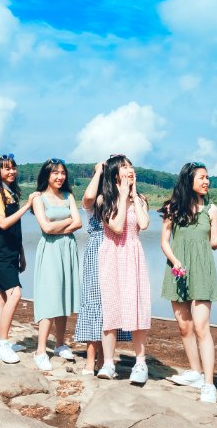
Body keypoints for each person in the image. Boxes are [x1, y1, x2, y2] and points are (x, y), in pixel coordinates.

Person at [159, 161, 217, 403]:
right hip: (178, 270)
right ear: (188, 180)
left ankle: (209, 384)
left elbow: (212, 243)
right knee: (184, 327)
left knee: (202, 327)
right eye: (202, 177)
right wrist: (176, 261)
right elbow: (164, 242)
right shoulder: (173, 207)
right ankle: (195, 371)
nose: (206, 181)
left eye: (207, 177)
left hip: (202, 269)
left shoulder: (211, 209)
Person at [94, 154, 151, 383]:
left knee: (136, 308)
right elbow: (116, 226)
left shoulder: (140, 198)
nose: (130, 170)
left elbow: (144, 224)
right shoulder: (103, 200)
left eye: (131, 166)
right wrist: (121, 195)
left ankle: (140, 363)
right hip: (111, 256)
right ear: (115, 173)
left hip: (133, 254)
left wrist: (134, 194)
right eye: (124, 167)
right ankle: (109, 363)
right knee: (111, 309)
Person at [76, 159, 135, 377]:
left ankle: (105, 359)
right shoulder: (99, 200)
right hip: (97, 249)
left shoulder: (119, 198)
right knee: (93, 302)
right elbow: (88, 198)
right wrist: (99, 171)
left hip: (117, 249)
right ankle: (91, 360)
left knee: (111, 304)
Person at [0, 153, 36, 364]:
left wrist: (21, 253)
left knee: (2, 297)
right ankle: (3, 343)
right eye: (6, 168)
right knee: (15, 294)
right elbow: (3, 224)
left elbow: (15, 228)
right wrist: (27, 206)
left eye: (13, 167)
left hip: (11, 251)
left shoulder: (10, 191)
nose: (11, 171)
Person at [31, 158, 82, 371]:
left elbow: (79, 222)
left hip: (68, 249)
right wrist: (64, 224)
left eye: (62, 173)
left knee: (64, 297)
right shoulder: (38, 198)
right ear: (47, 175)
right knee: (50, 297)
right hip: (51, 250)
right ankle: (41, 351)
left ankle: (60, 343)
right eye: (55, 173)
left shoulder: (69, 196)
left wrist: (56, 226)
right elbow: (46, 228)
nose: (60, 177)